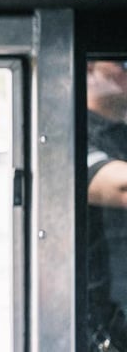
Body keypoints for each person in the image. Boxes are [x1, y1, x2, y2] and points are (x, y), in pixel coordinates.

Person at [86, 60, 127, 350]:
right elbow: (118, 186)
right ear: (88, 70)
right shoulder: (69, 130)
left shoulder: (120, 134)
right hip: (100, 329)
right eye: (121, 64)